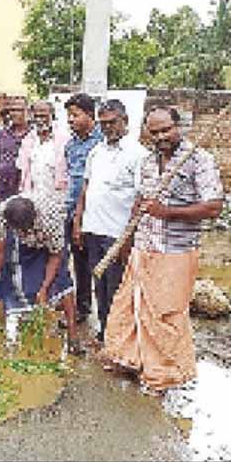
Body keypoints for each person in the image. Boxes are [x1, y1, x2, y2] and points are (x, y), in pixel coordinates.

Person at [102, 106, 223, 396]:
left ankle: (164, 375)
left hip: (176, 250)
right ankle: (130, 359)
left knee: (165, 314)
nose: (160, 137)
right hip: (144, 245)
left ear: (178, 127)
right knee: (131, 304)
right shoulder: (146, 162)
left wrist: (166, 212)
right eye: (154, 132)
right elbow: (142, 201)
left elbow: (214, 207)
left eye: (166, 130)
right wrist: (127, 239)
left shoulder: (199, 161)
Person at [71, 99, 148, 344]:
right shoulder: (97, 151)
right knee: (100, 286)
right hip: (93, 229)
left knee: (117, 288)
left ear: (125, 121)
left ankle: (118, 338)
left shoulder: (138, 155)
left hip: (117, 235)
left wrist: (128, 237)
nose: (107, 128)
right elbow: (85, 187)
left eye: (112, 122)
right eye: (103, 123)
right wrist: (78, 222)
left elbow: (140, 198)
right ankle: (105, 333)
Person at [0, 191, 83, 355]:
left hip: (50, 241)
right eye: (18, 231)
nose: (21, 234)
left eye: (24, 231)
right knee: (14, 275)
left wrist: (44, 288)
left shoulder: (51, 219)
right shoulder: (1, 216)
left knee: (63, 281)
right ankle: (19, 320)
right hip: (28, 238)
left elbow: (55, 256)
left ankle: (73, 335)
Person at [58, 93, 103, 325]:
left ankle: (103, 314)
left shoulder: (102, 142)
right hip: (71, 210)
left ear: (90, 115)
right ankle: (81, 308)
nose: (71, 120)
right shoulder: (71, 145)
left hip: (94, 214)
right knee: (75, 260)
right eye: (69, 116)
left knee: (94, 262)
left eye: (75, 115)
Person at [17, 100, 69, 195]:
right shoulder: (28, 140)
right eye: (36, 116)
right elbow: (23, 171)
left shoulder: (64, 139)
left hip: (57, 197)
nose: (39, 120)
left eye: (43, 116)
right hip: (33, 196)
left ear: (52, 116)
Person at [0, 97, 29, 203]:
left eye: (19, 110)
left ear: (27, 112)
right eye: (12, 110)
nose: (14, 113)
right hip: (4, 190)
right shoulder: (2, 134)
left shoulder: (33, 135)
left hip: (25, 190)